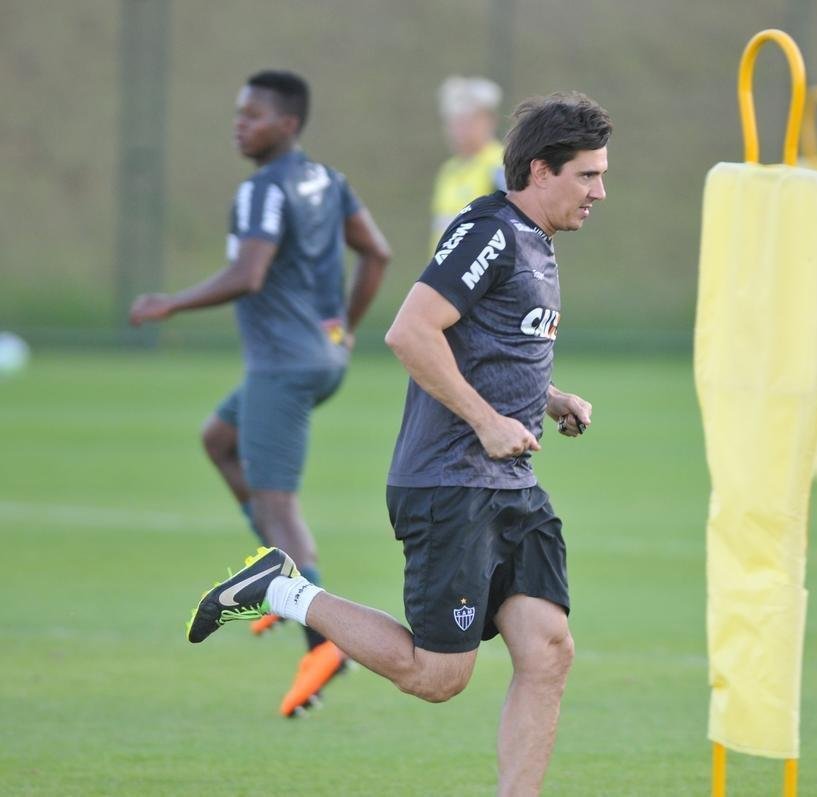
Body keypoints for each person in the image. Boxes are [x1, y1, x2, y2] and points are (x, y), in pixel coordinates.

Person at [187, 91, 611, 795]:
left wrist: (548, 398)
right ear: (541, 170)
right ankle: (281, 589)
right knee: (439, 675)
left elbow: (490, 349)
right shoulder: (490, 234)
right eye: (588, 175)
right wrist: (484, 420)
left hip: (511, 485)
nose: (601, 190)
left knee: (548, 648)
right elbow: (410, 332)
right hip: (453, 483)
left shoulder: (537, 241)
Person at [130, 70, 392, 718]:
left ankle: (323, 639)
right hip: (320, 358)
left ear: (288, 124)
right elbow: (378, 254)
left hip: (283, 366)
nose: (239, 124)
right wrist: (347, 329)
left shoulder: (261, 191)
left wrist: (171, 303)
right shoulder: (327, 179)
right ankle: (280, 584)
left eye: (253, 115)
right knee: (220, 440)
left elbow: (249, 274)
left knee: (278, 506)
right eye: (238, 114)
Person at [430, 76, 506, 253]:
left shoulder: (500, 165)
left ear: (489, 121)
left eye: (469, 121)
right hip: (445, 276)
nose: (460, 129)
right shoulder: (448, 170)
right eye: (454, 121)